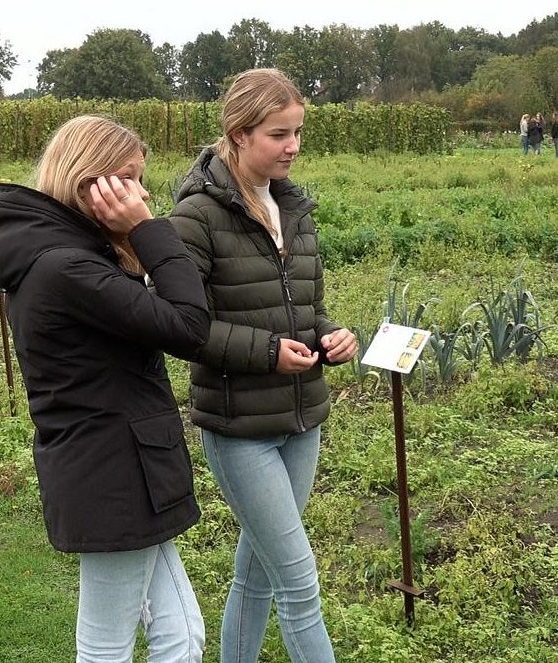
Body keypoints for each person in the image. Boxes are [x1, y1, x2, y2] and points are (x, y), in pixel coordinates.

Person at [0, 115, 209, 662]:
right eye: (129, 178)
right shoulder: (68, 268)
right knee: (106, 646)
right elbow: (190, 327)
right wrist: (147, 229)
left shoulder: (67, 256)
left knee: (182, 632)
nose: (143, 192)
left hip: (126, 470)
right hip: (114, 476)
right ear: (91, 182)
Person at [169, 68, 359, 663]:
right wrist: (267, 352)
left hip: (304, 418)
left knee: (254, 574)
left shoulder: (294, 208)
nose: (293, 147)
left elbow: (309, 307)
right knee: (299, 583)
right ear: (239, 132)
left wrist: (331, 336)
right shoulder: (196, 217)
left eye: (298, 132)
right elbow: (181, 325)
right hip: (240, 429)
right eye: (279, 134)